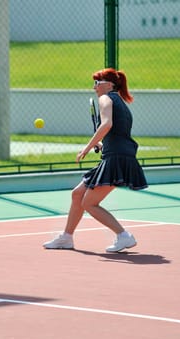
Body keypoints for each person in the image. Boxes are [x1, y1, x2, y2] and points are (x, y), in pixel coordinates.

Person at [43, 68, 148, 252]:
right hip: (119, 155)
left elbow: (107, 124)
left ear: (109, 84)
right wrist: (102, 144)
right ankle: (66, 238)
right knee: (77, 194)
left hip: (116, 159)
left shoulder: (106, 98)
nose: (94, 88)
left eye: (97, 83)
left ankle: (124, 236)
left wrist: (87, 147)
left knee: (89, 203)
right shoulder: (120, 103)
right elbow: (117, 134)